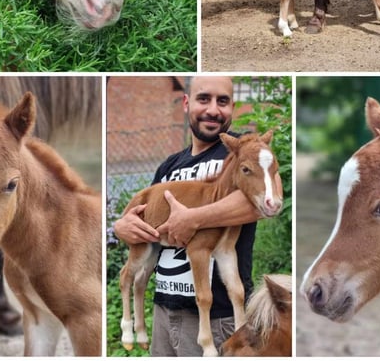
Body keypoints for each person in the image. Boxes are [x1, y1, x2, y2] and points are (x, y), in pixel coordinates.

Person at [113, 76, 282, 356]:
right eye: (204, 99)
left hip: (219, 318)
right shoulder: (170, 165)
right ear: (186, 102)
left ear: (232, 107)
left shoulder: (242, 151)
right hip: (164, 311)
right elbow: (143, 214)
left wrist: (193, 218)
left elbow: (272, 196)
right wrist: (121, 226)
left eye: (223, 101)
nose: (213, 110)